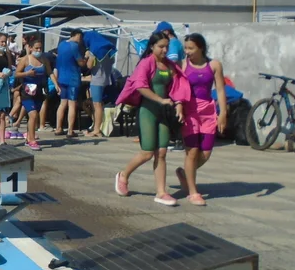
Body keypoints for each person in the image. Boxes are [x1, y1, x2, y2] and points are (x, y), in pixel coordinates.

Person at [114, 32, 190, 206]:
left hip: (163, 114)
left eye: (166, 47)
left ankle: (161, 192)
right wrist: (161, 100)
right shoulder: (146, 63)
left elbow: (178, 87)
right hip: (147, 111)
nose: (164, 50)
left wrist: (178, 104)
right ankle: (123, 175)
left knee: (162, 153)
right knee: (147, 153)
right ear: (152, 47)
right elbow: (140, 87)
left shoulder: (170, 66)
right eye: (161, 47)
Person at [175, 34, 228, 206]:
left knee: (205, 153)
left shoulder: (214, 65)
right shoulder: (183, 65)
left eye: (191, 48)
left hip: (208, 111)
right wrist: (179, 107)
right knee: (192, 151)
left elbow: (220, 90)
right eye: (186, 48)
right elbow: (177, 88)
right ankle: (193, 192)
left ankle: (185, 174)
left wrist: (223, 113)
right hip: (189, 112)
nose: (187, 51)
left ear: (201, 48)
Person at [15, 38, 53, 151]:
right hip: (27, 90)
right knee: (33, 115)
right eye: (36, 48)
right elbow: (16, 74)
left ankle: (28, 138)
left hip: (39, 91)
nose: (39, 50)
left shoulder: (44, 60)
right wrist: (27, 73)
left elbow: (50, 72)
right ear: (30, 48)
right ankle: (32, 140)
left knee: (33, 116)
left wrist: (56, 84)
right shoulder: (26, 60)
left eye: (40, 48)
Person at [53, 29, 86, 137]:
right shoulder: (74, 46)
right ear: (75, 35)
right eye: (80, 37)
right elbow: (80, 62)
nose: (80, 40)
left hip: (62, 77)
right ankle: (70, 130)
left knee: (62, 103)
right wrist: (86, 58)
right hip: (73, 78)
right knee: (72, 104)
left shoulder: (62, 45)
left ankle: (58, 128)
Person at [86, 44, 115, 138]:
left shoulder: (94, 52)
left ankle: (96, 129)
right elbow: (112, 62)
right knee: (99, 105)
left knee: (97, 105)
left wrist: (89, 56)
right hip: (106, 79)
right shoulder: (109, 52)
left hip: (96, 80)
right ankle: (96, 127)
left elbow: (89, 66)